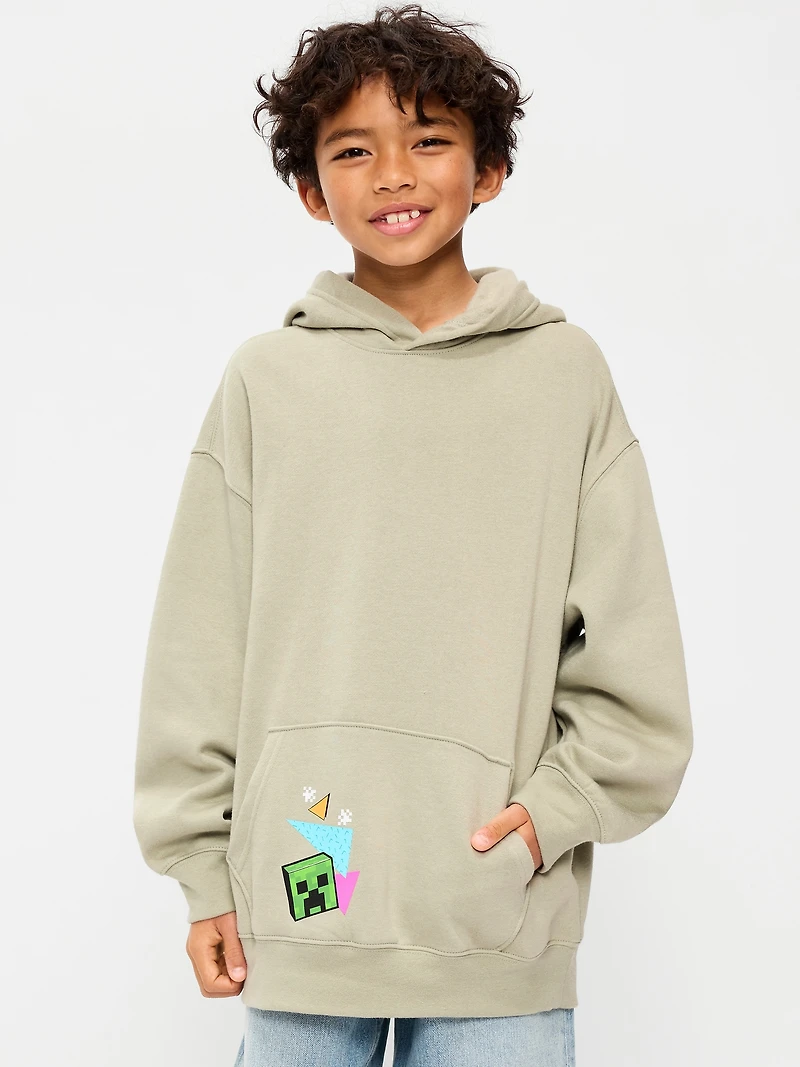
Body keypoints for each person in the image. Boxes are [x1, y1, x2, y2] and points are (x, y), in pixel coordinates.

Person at [132, 5, 693, 1065]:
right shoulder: (267, 381)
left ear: (489, 171)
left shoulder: (562, 376)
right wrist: (201, 868)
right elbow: (200, 645)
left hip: (495, 915)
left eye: (429, 138)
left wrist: (550, 813)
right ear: (312, 190)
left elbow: (633, 660)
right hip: (304, 897)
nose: (393, 173)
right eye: (353, 150)